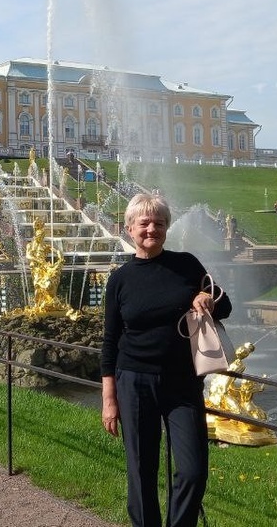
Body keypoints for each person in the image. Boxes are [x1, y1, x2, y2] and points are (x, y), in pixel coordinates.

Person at [101, 192, 232, 527]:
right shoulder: (119, 279)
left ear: (166, 228)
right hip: (134, 381)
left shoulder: (186, 264)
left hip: (182, 383)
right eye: (144, 223)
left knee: (192, 471)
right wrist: (109, 400)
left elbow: (226, 305)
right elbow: (110, 342)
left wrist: (206, 297)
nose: (151, 229)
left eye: (159, 223)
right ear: (130, 228)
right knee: (141, 473)